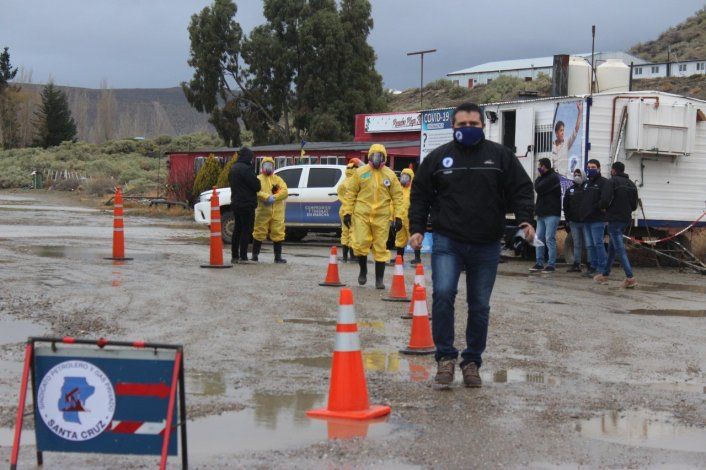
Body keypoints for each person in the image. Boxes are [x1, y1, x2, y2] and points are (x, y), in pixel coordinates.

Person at [409, 102, 535, 388]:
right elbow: (420, 194)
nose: (468, 129)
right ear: (453, 126)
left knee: (479, 305)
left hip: (486, 243)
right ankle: (445, 358)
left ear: (483, 126)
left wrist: (526, 220)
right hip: (447, 241)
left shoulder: (500, 156)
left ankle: (471, 362)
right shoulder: (438, 158)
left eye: (473, 125)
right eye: (462, 125)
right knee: (443, 295)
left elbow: (522, 188)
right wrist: (417, 228)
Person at [342, 144, 404, 289]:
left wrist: (399, 216)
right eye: (374, 155)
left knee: (381, 246)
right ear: (369, 156)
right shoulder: (361, 172)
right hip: (361, 214)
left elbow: (398, 197)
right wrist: (347, 212)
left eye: (380, 156)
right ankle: (363, 270)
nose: (376, 159)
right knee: (360, 242)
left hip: (381, 216)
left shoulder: (390, 175)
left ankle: (379, 279)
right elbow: (351, 194)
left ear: (384, 157)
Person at [599, 161, 638, 287]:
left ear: (614, 170)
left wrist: (602, 207)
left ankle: (630, 278)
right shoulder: (631, 184)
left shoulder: (611, 182)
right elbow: (634, 206)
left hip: (614, 218)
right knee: (612, 248)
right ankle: (605, 275)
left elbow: (605, 200)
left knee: (620, 249)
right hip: (626, 219)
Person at [252, 157, 289, 264]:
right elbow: (256, 192)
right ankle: (255, 256)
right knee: (259, 232)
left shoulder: (278, 179)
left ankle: (278, 257)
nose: (268, 167)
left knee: (278, 233)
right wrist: (266, 197)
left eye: (270, 165)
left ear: (273, 166)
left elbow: (285, 192)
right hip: (262, 212)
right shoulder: (258, 179)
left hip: (277, 212)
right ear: (262, 166)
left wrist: (275, 197)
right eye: (266, 165)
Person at [577, 159, 608, 282]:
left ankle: (602, 269)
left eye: (593, 167)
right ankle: (592, 267)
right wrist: (582, 213)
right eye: (589, 167)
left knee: (598, 244)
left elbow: (604, 200)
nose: (590, 169)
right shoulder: (586, 183)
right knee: (590, 245)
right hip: (586, 219)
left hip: (597, 219)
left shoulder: (604, 182)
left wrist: (594, 208)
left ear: (599, 168)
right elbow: (583, 201)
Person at [228, 147, 260, 264]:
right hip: (247, 204)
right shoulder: (247, 169)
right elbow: (257, 186)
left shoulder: (233, 168)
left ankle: (234, 256)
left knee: (237, 229)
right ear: (248, 157)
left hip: (236, 202)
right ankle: (243, 256)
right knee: (246, 230)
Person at [529, 158, 561, 273]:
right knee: (538, 239)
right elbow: (537, 186)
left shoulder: (553, 177)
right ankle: (539, 263)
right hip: (541, 213)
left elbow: (538, 188)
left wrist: (538, 178)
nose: (538, 168)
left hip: (552, 213)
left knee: (549, 239)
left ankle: (551, 264)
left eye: (539, 166)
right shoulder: (543, 177)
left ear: (544, 166)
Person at [562, 168, 589, 272]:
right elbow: (566, 206)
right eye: (575, 175)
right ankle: (577, 264)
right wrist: (568, 219)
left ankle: (590, 264)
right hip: (574, 222)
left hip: (586, 222)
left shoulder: (588, 188)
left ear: (583, 175)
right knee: (577, 244)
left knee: (588, 244)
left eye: (579, 174)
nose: (577, 176)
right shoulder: (570, 190)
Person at [393, 168, 421, 265]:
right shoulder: (399, 189)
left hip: (410, 219)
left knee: (414, 237)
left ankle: (417, 258)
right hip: (400, 219)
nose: (404, 179)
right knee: (400, 238)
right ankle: (399, 258)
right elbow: (394, 203)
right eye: (403, 177)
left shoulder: (414, 190)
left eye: (406, 177)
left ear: (411, 178)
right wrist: (394, 217)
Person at [337, 158, 363, 263]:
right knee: (353, 233)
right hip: (352, 210)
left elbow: (339, 193)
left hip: (343, 209)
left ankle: (344, 257)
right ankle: (353, 256)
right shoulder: (355, 181)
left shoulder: (343, 182)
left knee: (345, 232)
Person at [551, 101, 583, 176]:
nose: (563, 132)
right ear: (556, 133)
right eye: (561, 130)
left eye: (563, 130)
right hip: (553, 177)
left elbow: (576, 130)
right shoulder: (551, 146)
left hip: (563, 176)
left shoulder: (566, 143)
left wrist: (580, 112)